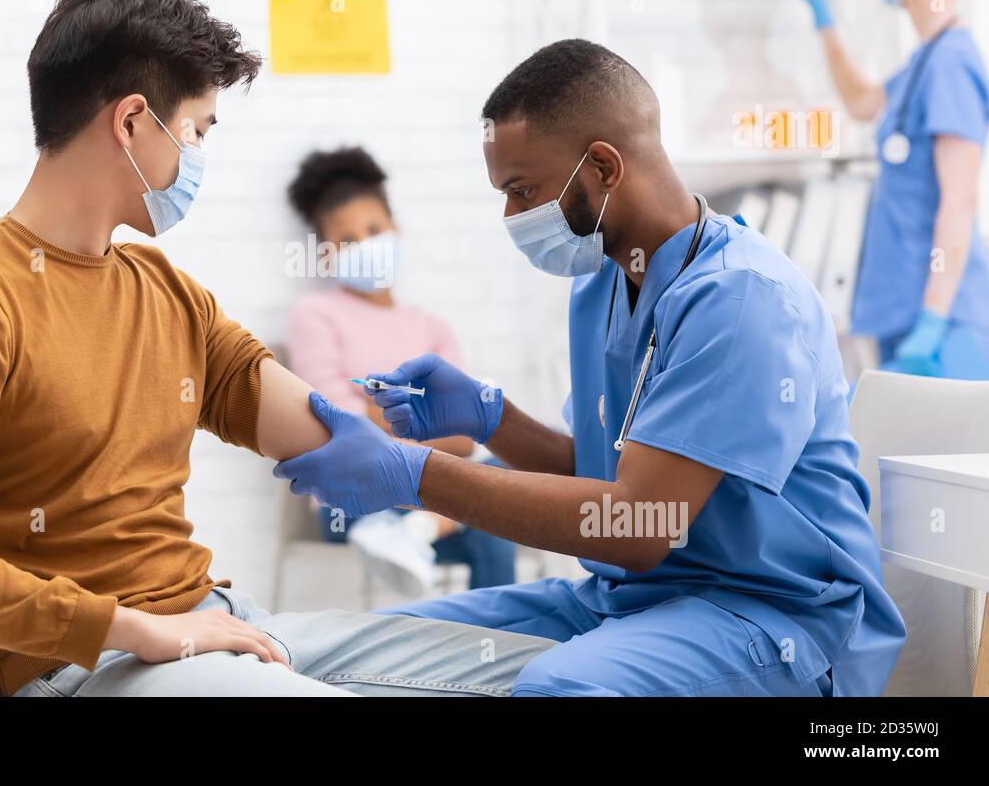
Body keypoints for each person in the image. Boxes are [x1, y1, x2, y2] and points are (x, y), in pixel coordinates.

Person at [0, 0, 554, 697]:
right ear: (130, 122)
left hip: (222, 625)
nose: (195, 157)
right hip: (95, 666)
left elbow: (332, 437)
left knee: (542, 674)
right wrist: (132, 629)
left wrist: (579, 501)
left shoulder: (166, 294)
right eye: (194, 130)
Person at [276, 39, 907, 696]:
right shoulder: (603, 283)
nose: (510, 217)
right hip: (630, 602)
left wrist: (415, 476)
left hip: (774, 623)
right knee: (361, 655)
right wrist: (493, 417)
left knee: (559, 688)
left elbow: (640, 525)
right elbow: (603, 473)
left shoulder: (742, 299)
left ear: (603, 166)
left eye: (523, 191)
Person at [286, 146, 516, 596]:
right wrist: (425, 420)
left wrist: (383, 412)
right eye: (347, 241)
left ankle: (421, 533)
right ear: (326, 255)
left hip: (436, 497)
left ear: (397, 230)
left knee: (508, 472)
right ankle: (498, 644)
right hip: (356, 504)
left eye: (374, 230)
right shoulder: (314, 314)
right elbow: (337, 418)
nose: (366, 246)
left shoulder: (433, 327)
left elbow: (468, 434)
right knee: (492, 510)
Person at [780, 0, 989, 378]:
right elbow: (861, 102)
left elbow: (959, 203)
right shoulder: (927, 61)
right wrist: (824, 19)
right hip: (906, 311)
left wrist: (934, 320)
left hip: (944, 322)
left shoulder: (951, 65)